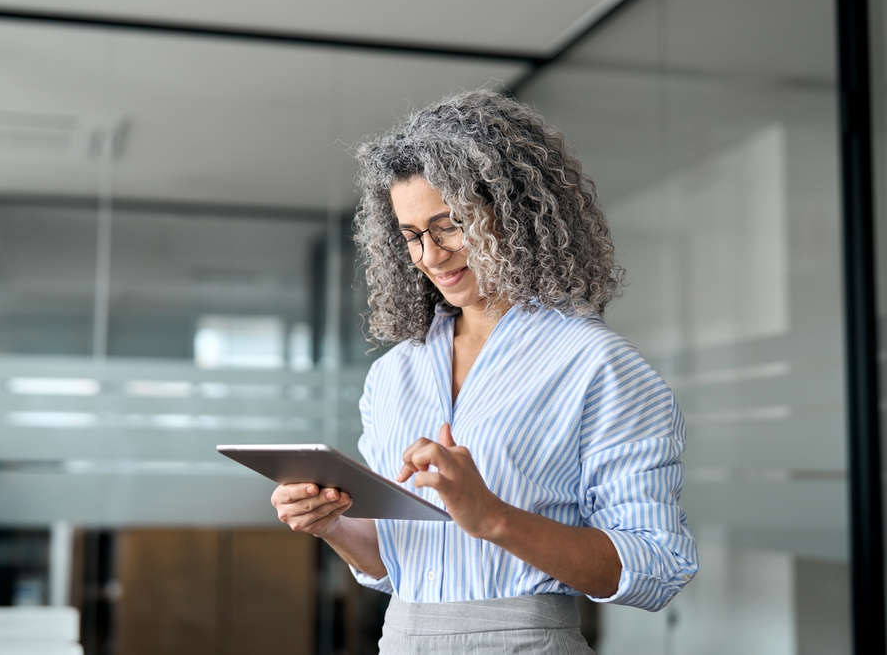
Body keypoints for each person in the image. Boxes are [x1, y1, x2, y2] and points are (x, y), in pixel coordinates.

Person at [271, 90, 698, 654]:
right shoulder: (395, 373)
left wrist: (494, 517)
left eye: (450, 225)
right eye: (412, 236)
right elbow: (393, 562)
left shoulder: (597, 364)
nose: (430, 255)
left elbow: (657, 564)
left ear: (515, 211)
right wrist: (331, 525)